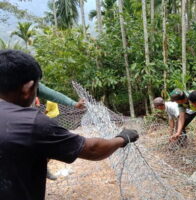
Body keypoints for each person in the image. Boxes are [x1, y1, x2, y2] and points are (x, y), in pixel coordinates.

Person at [0, 50, 139, 200]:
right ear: (28, 89)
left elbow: (52, 94)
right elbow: (92, 150)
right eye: (37, 88)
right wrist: (123, 138)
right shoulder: (32, 123)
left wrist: (73, 103)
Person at [169, 89, 196, 163]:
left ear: (180, 100)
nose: (176, 102)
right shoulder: (181, 103)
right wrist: (178, 132)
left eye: (176, 101)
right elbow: (181, 117)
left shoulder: (194, 99)